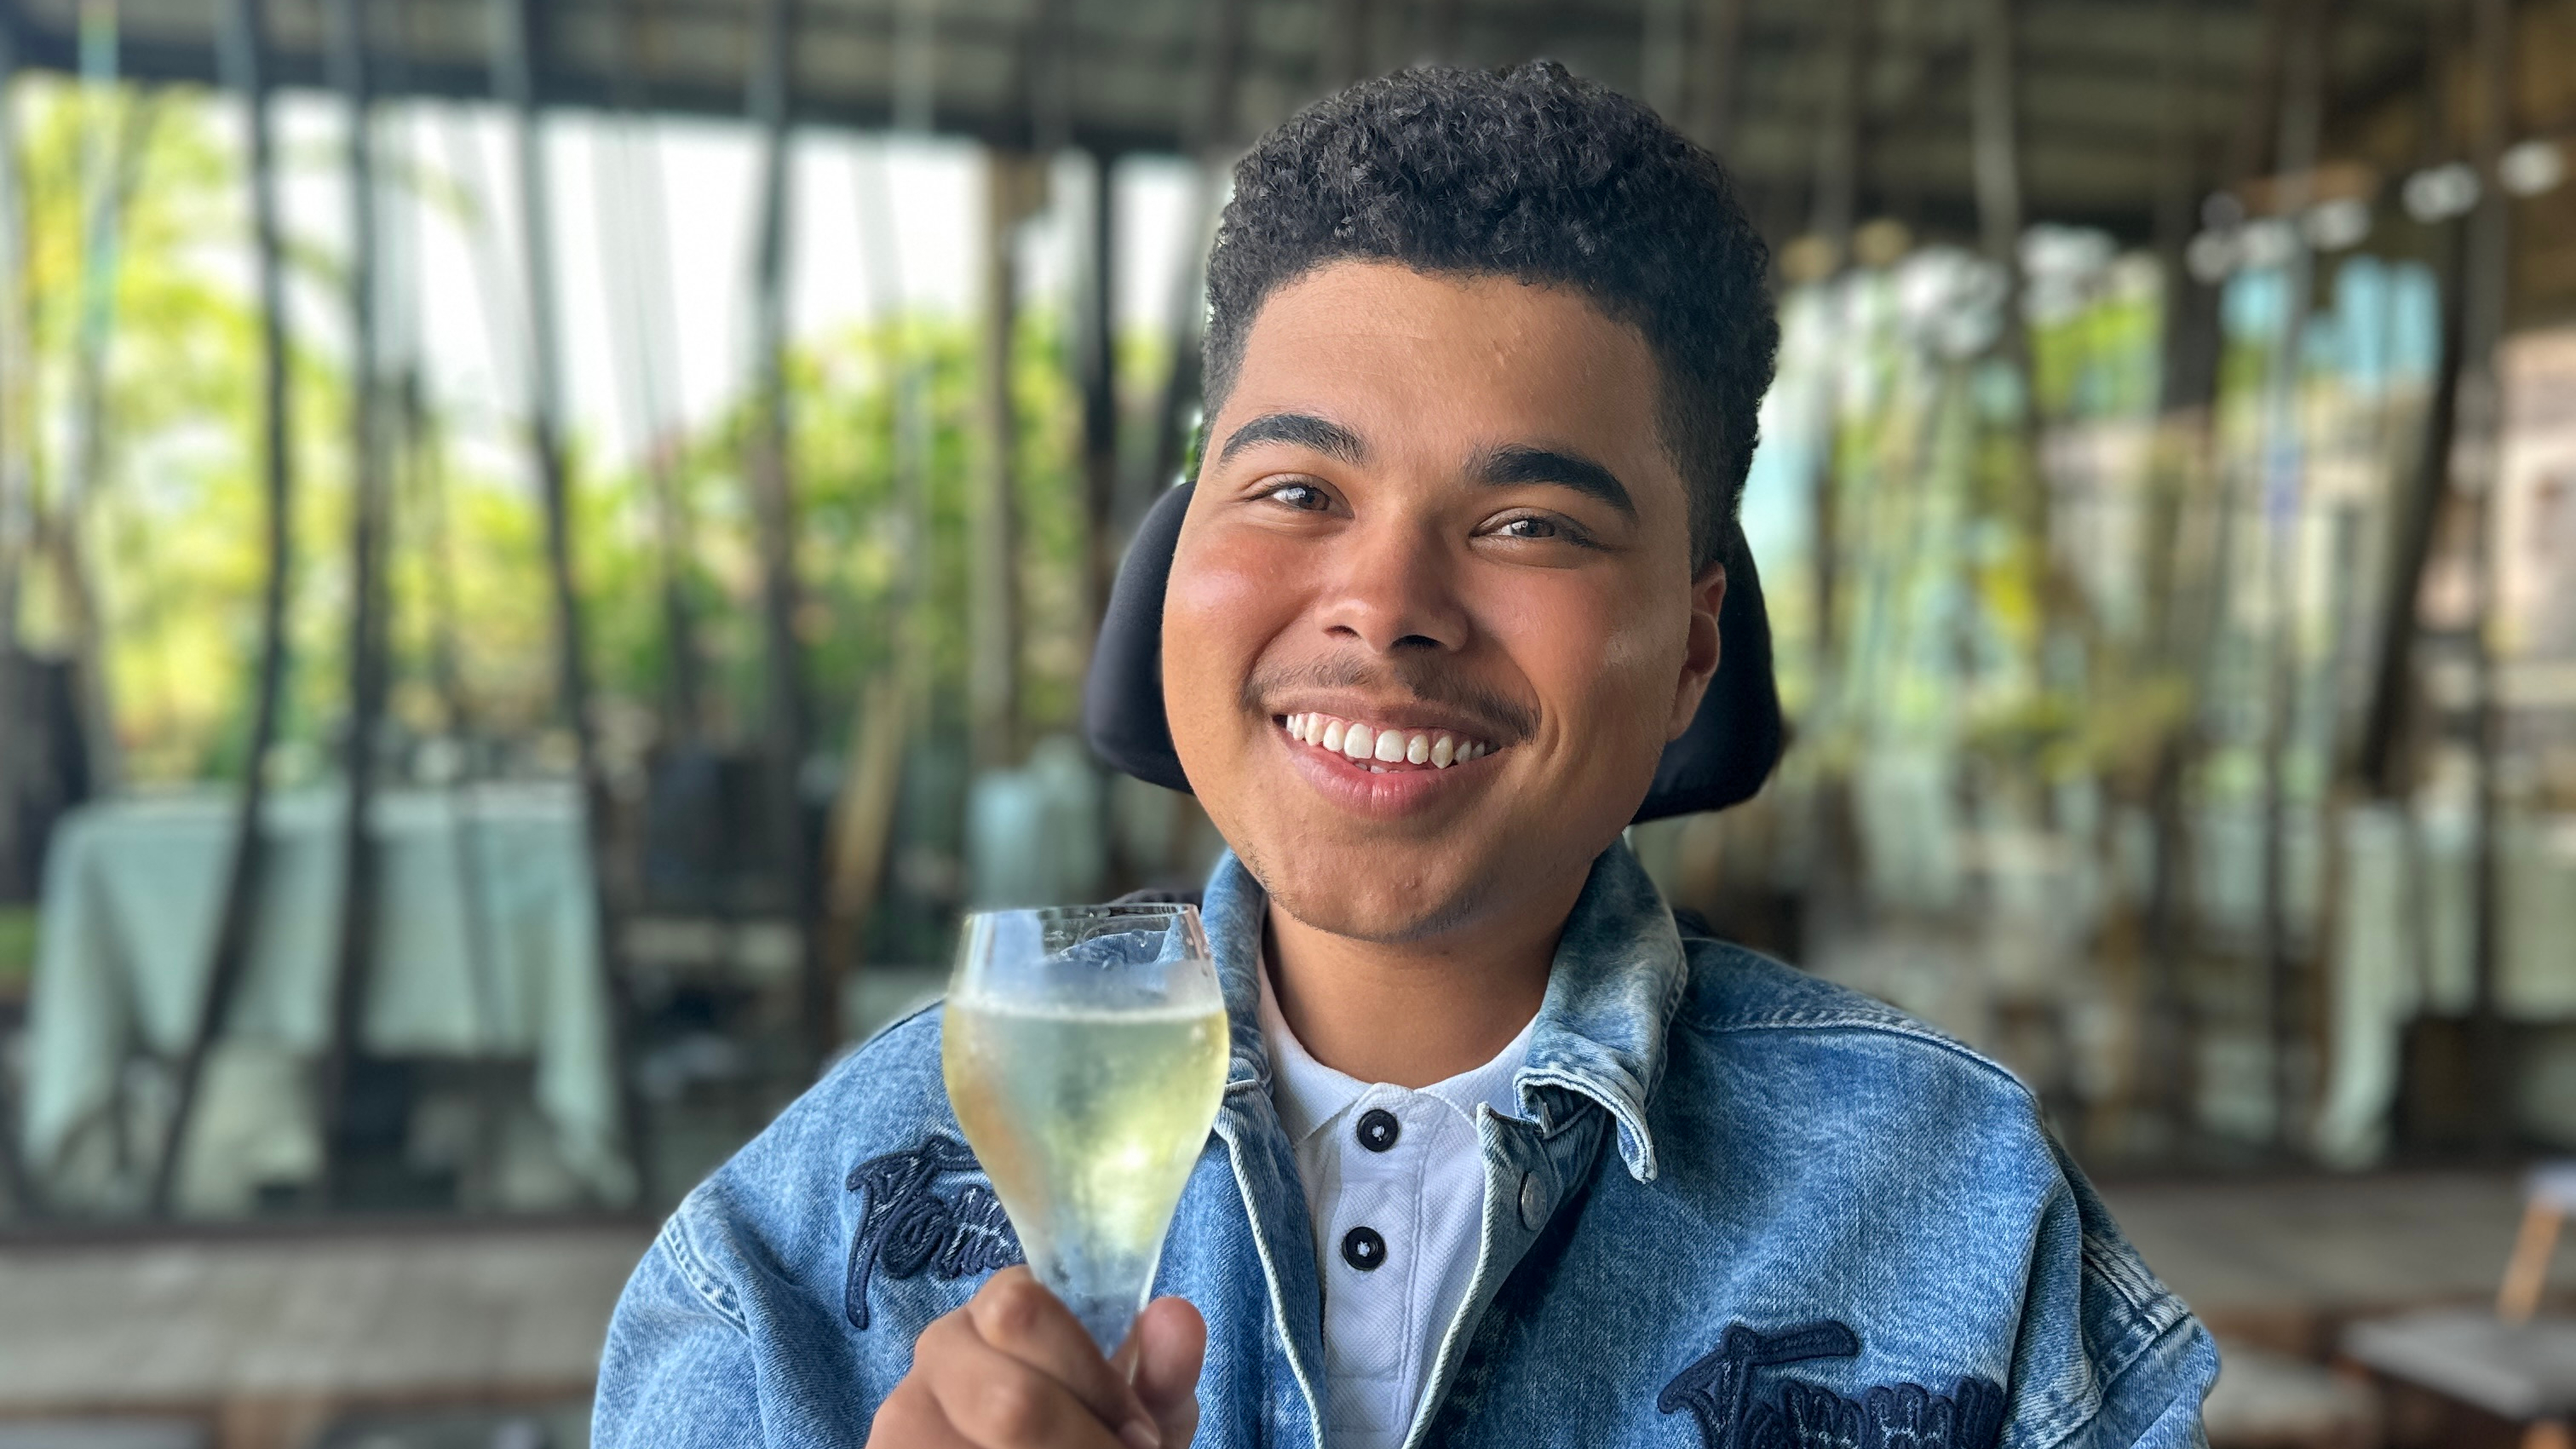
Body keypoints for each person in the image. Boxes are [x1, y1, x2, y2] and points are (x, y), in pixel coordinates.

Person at [593, 61, 2218, 1449]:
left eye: (1527, 522)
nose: (1385, 607)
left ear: (1694, 652)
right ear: (1174, 570)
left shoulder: (1957, 1208)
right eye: (1298, 491)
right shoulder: (805, 1248)